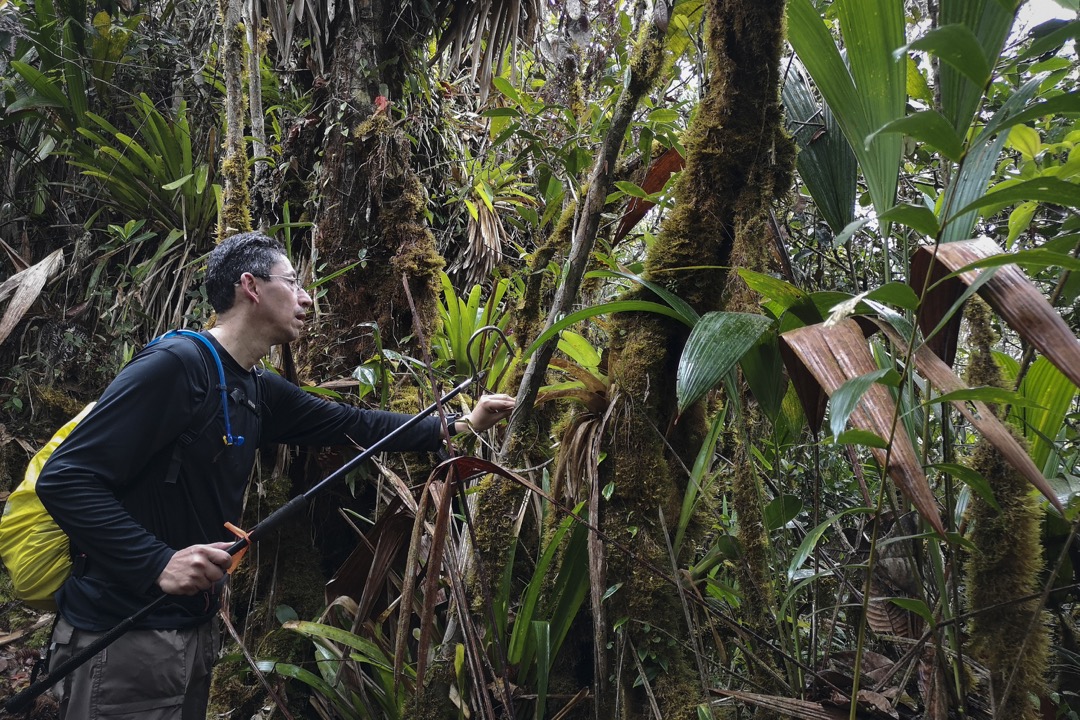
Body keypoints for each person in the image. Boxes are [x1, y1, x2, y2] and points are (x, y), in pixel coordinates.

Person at [35, 231, 515, 720]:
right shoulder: (175, 367)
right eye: (292, 281)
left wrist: (458, 425)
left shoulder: (253, 387)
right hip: (124, 639)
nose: (307, 296)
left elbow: (352, 423)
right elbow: (66, 478)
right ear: (252, 287)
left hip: (189, 632)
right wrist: (157, 562)